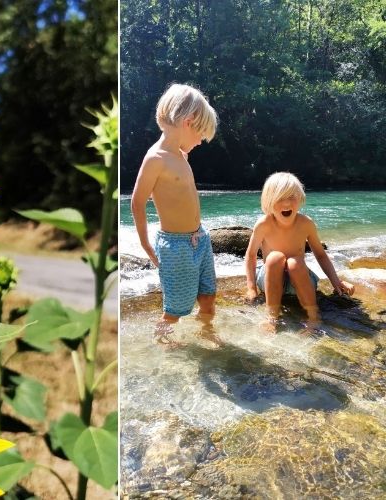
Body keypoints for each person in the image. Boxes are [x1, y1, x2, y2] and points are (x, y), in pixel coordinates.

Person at [131, 83, 219, 343]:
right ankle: (163, 341)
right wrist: (147, 245)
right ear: (189, 122)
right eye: (201, 134)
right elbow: (137, 203)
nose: (201, 141)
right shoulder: (155, 159)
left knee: (208, 295)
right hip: (175, 246)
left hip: (199, 239)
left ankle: (206, 331)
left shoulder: (181, 156)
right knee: (175, 308)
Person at [244, 172, 354, 329]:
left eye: (292, 197)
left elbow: (321, 254)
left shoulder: (306, 223)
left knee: (294, 262)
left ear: (300, 198)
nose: (287, 203)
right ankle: (272, 317)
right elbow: (250, 255)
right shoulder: (263, 224)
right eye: (280, 198)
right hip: (271, 279)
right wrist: (251, 288)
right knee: (275, 257)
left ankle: (313, 316)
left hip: (299, 279)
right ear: (268, 201)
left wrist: (336, 281)